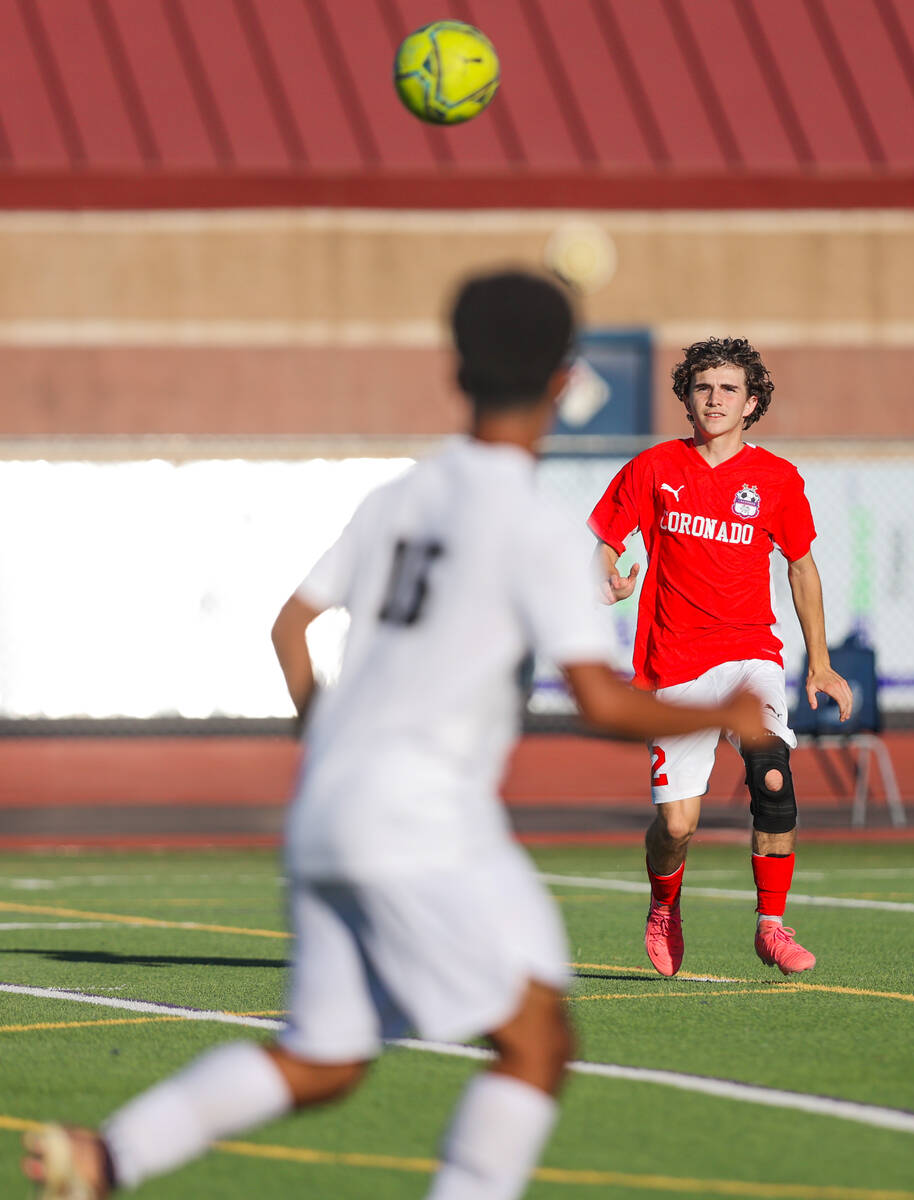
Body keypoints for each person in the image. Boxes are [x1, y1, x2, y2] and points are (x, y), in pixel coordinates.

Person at [23, 274, 764, 1200]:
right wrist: (723, 715)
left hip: (331, 805)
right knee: (537, 1039)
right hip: (423, 816)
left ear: (457, 369)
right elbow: (600, 705)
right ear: (565, 382)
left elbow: (290, 626)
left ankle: (107, 1157)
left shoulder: (401, 497)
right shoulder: (529, 519)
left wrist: (322, 738)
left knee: (327, 1061)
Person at [588, 337, 853, 980]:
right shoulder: (653, 468)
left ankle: (771, 926)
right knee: (677, 825)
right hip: (674, 664)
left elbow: (801, 568)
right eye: (703, 387)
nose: (714, 399)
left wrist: (818, 662)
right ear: (687, 396)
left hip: (749, 657)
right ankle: (662, 906)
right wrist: (614, 576)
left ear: (751, 401)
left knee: (772, 777)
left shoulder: (777, 480)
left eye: (728, 388)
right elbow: (605, 536)